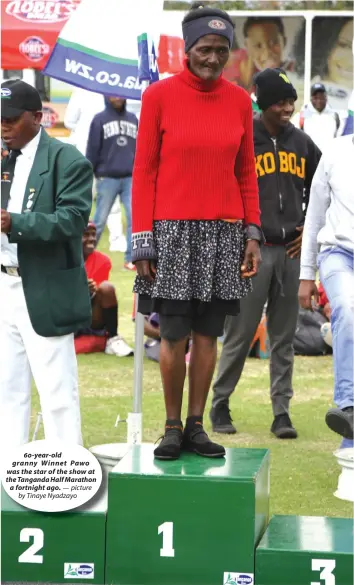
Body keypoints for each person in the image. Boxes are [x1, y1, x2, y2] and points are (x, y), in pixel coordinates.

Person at [132, 4, 262, 461]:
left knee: (208, 335)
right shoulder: (159, 97)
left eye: (221, 50)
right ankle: (170, 427)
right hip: (170, 234)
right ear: (188, 50)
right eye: (205, 49)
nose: (212, 58)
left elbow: (246, 171)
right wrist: (141, 236)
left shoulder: (240, 101)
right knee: (173, 334)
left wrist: (252, 232)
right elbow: (143, 170)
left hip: (225, 233)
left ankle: (196, 425)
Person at [210, 68, 321, 439]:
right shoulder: (243, 139)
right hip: (252, 251)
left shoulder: (303, 143)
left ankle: (281, 411)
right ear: (262, 102)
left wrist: (311, 225)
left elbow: (325, 189)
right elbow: (224, 187)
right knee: (239, 334)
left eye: (290, 100)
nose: (287, 107)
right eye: (279, 101)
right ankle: (220, 403)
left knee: (283, 337)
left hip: (291, 251)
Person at [1, 79, 93, 447]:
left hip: (43, 286)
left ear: (38, 117)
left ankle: (68, 478)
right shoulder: (3, 157)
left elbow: (72, 220)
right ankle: (7, 477)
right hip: (4, 285)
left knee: (56, 393)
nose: (3, 126)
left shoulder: (67, 159)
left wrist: (14, 223)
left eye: (10, 119)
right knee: (8, 390)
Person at [298, 133, 354, 441]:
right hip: (338, 253)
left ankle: (350, 439)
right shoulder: (334, 151)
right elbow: (315, 216)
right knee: (346, 307)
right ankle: (348, 408)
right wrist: (307, 275)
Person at [86, 97, 138, 270]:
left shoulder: (133, 118)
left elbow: (139, 147)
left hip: (131, 177)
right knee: (99, 219)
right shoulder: (99, 119)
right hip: (107, 177)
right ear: (106, 96)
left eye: (120, 94)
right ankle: (85, 257)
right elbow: (92, 148)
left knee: (134, 218)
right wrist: (89, 172)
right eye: (113, 94)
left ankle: (130, 259)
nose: (117, 97)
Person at [78, 222, 134, 357]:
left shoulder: (103, 261)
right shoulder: (63, 259)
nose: (91, 238)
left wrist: (89, 291)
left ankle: (113, 338)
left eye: (93, 234)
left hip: (91, 315)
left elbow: (99, 295)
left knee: (107, 288)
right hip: (66, 314)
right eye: (86, 234)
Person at [224, 17, 294, 92]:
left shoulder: (292, 71)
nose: (267, 53)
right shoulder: (233, 68)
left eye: (274, 43)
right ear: (247, 46)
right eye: (258, 46)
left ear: (284, 41)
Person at [292, 83, 340, 152]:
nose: (319, 101)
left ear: (326, 98)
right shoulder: (300, 116)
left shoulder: (335, 116)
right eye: (316, 98)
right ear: (311, 98)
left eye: (321, 97)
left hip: (328, 158)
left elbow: (338, 139)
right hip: (308, 159)